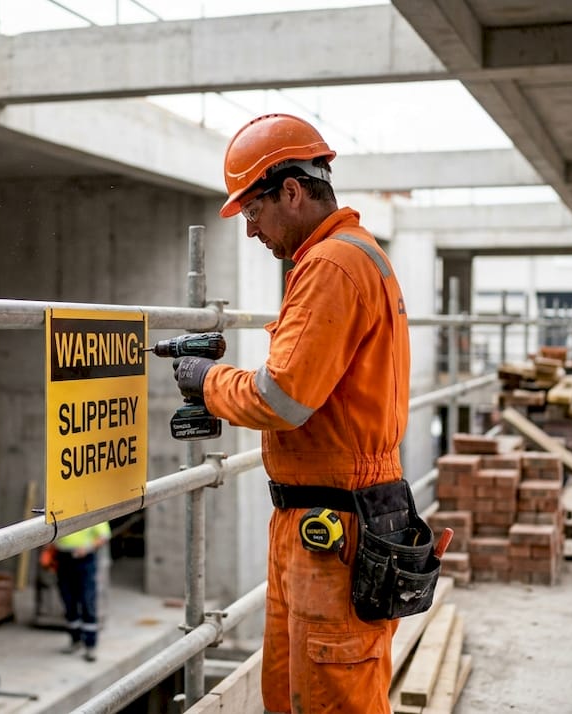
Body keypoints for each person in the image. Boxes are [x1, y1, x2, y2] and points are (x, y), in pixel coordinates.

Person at [172, 114, 411, 712]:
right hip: (322, 524)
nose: (252, 232)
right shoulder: (347, 257)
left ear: (292, 192)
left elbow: (283, 397)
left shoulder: (332, 265)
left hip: (336, 526)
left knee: (331, 697)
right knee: (291, 693)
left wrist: (208, 381)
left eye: (253, 212)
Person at [54, 522, 110, 662]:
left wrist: (88, 547)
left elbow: (104, 535)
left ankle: (90, 646)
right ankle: (75, 640)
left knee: (87, 601)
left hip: (84, 560)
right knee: (68, 601)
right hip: (63, 558)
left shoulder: (90, 509)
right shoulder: (61, 510)